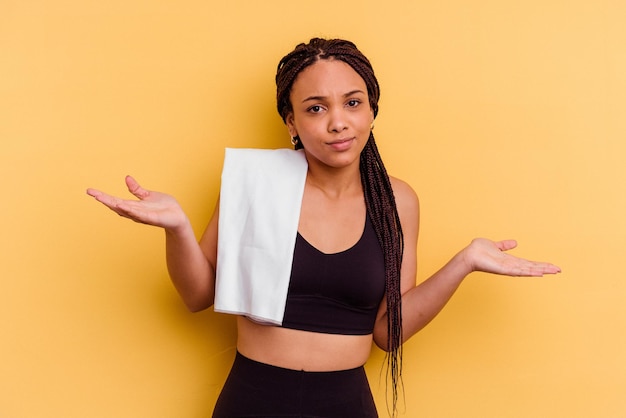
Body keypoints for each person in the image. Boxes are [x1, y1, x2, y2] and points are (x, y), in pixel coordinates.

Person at [86, 38, 560, 418]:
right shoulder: (256, 183)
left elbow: (388, 333)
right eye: (315, 108)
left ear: (371, 110)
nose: (338, 122)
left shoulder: (397, 201)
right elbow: (196, 296)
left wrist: (465, 262)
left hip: (346, 405)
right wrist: (177, 228)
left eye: (352, 103)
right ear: (291, 122)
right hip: (252, 399)